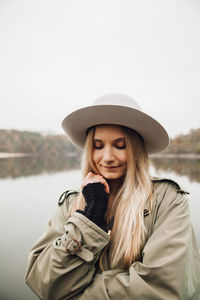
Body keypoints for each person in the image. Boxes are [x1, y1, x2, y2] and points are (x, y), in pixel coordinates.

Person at [25, 93, 200, 300]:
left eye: (120, 145)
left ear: (136, 149)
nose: (107, 157)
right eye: (98, 146)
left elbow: (164, 289)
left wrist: (73, 294)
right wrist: (88, 220)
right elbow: (44, 282)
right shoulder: (72, 203)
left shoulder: (168, 200)